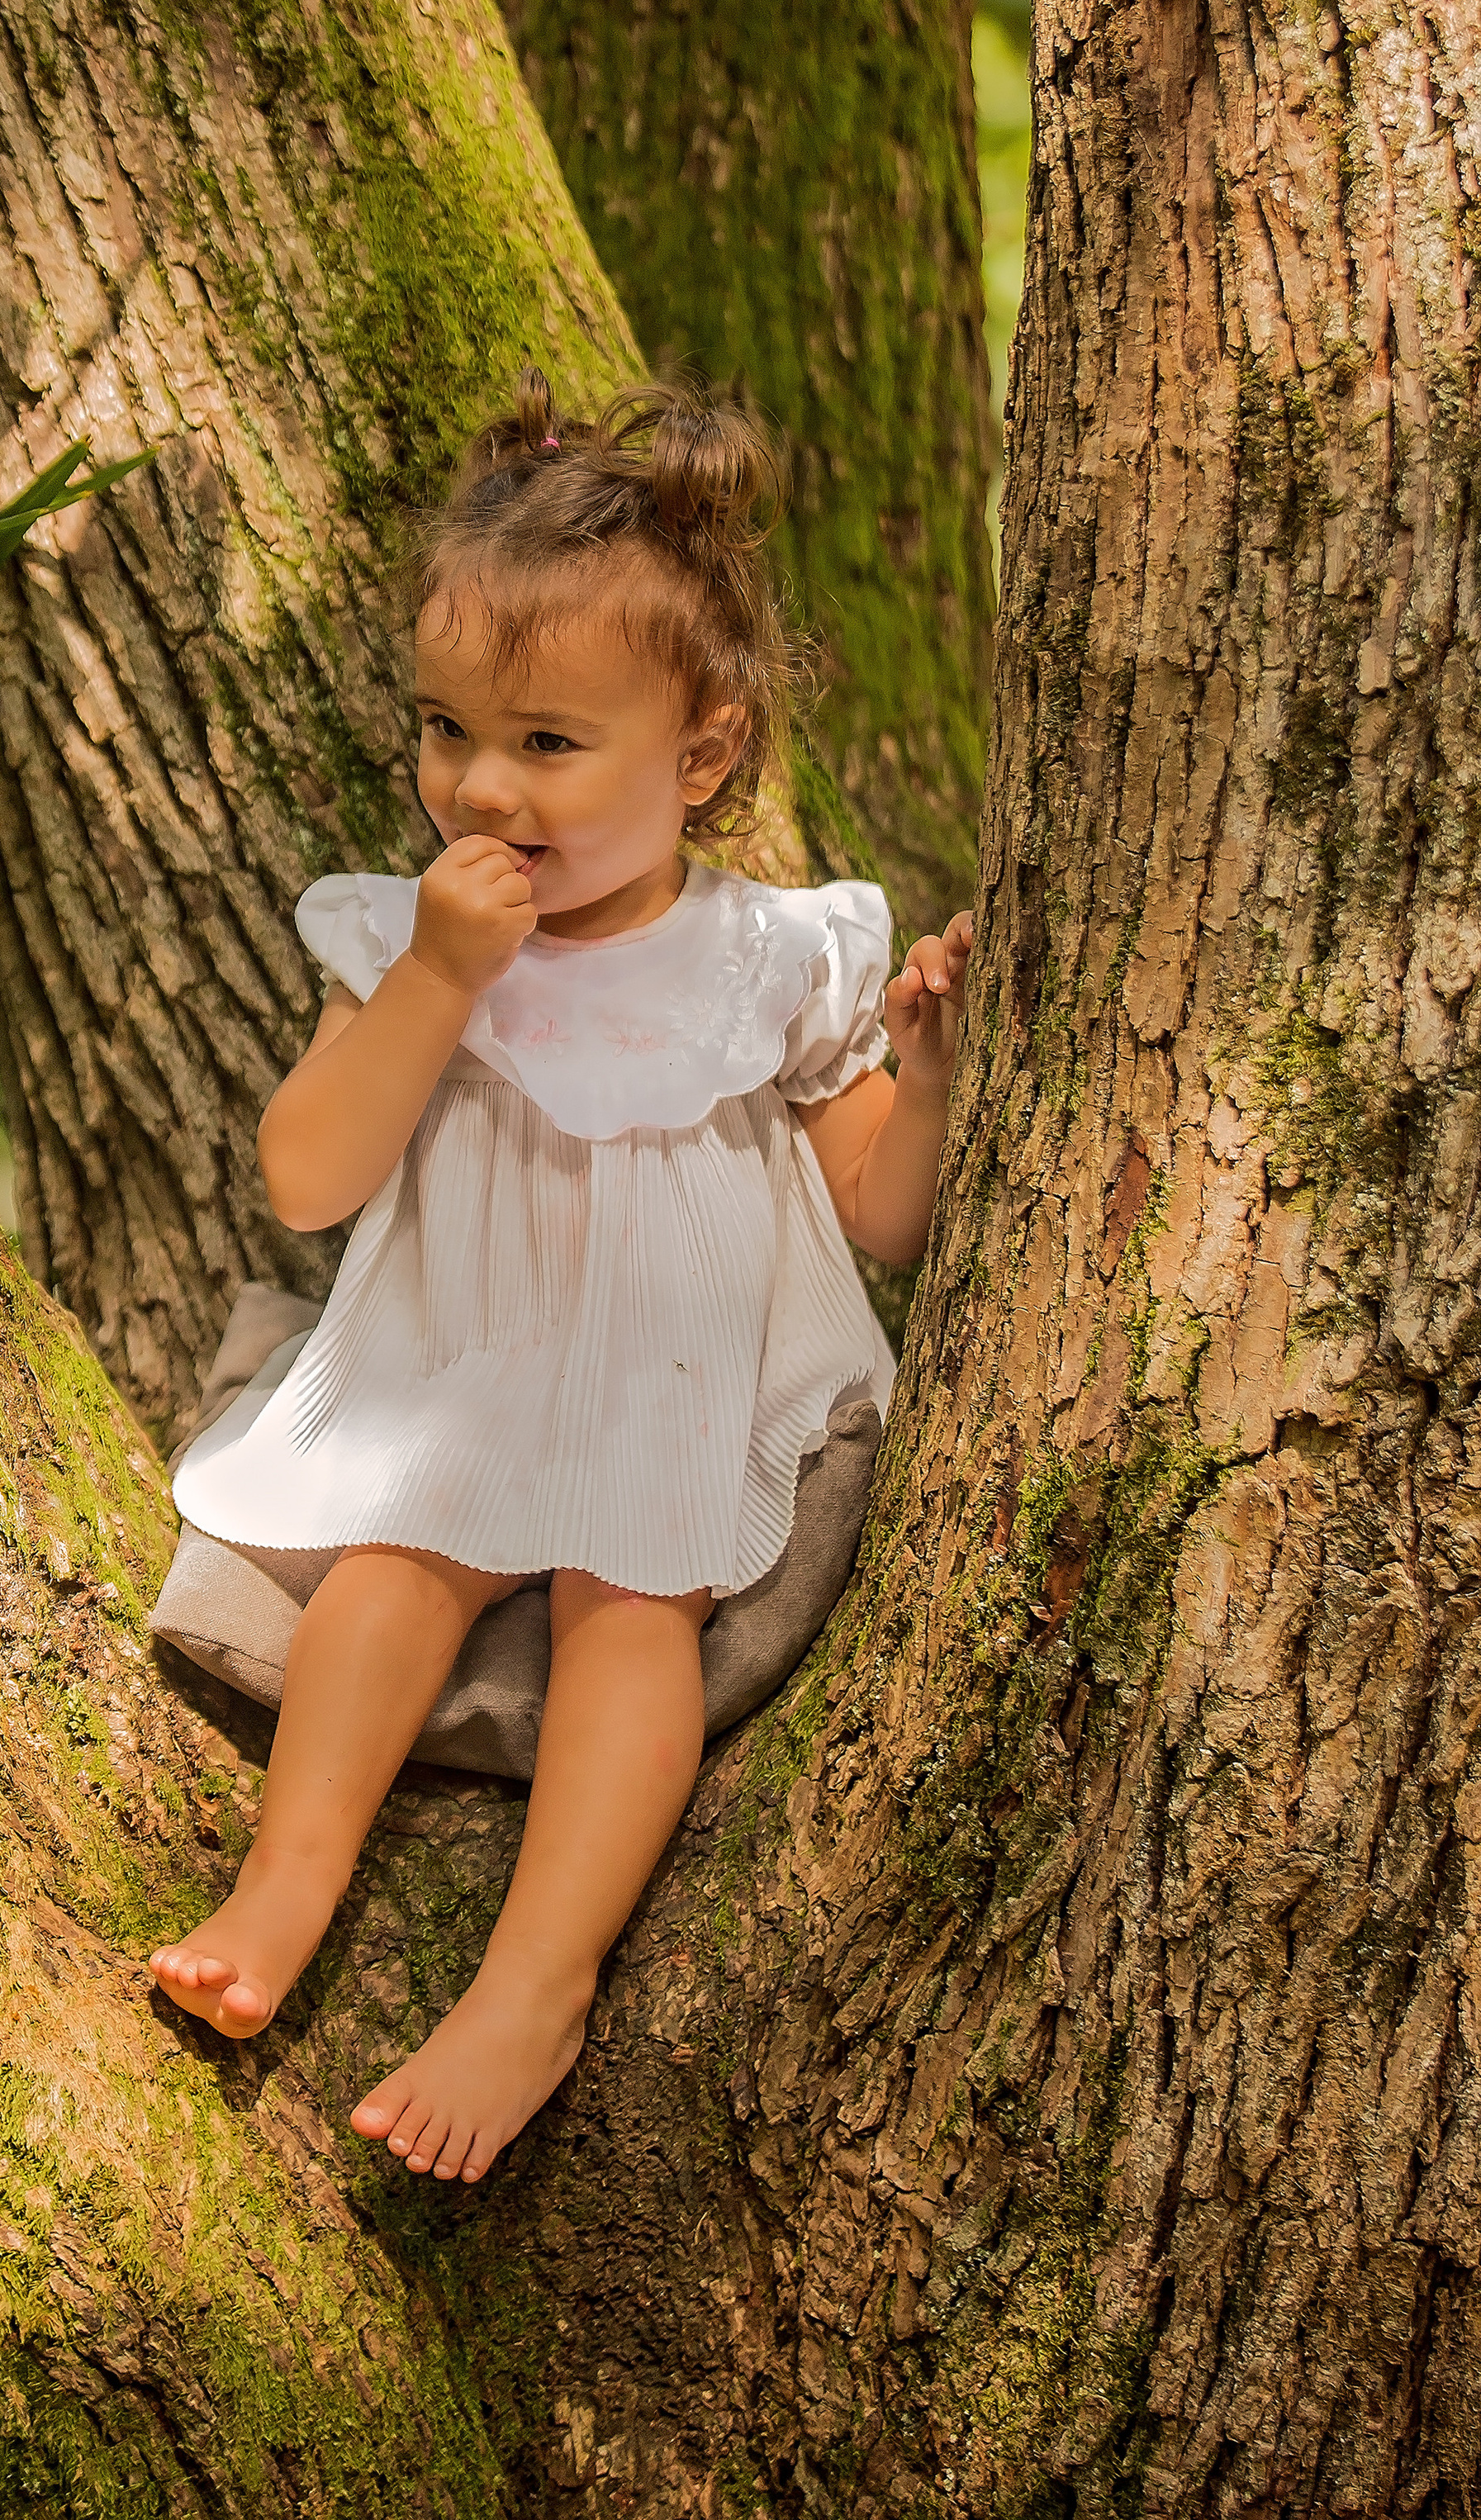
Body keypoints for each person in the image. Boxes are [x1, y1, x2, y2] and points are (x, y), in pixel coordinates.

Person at [150, 371, 973, 2185]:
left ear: (698, 756)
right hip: (466, 1356)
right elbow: (308, 1176)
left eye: (541, 743)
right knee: (388, 1574)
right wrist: (437, 981)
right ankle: (287, 1885)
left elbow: (883, 1220)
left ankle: (533, 1984)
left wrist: (918, 1072)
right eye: (443, 730)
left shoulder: (771, 954)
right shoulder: (404, 930)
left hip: (676, 1378)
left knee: (631, 1612)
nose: (474, 783)